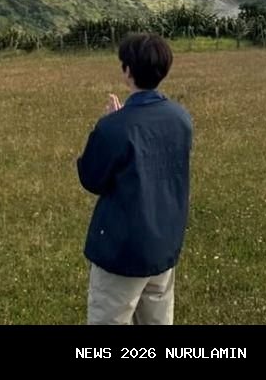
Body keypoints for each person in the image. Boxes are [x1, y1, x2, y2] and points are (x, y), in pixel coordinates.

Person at [75, 32, 193, 325]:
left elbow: (91, 178)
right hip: (163, 244)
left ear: (127, 71)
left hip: (121, 250)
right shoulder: (181, 118)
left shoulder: (113, 128)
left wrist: (109, 124)